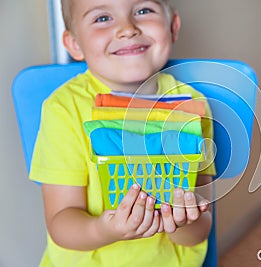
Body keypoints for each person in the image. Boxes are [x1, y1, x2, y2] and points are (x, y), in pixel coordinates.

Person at [29, 0, 216, 266]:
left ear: (172, 26)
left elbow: (200, 229)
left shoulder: (193, 107)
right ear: (74, 44)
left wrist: (184, 220)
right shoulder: (64, 109)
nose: (127, 29)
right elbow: (61, 223)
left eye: (143, 11)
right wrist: (105, 231)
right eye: (102, 18)